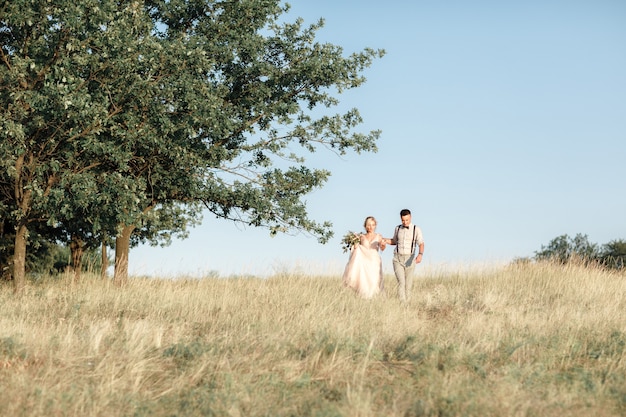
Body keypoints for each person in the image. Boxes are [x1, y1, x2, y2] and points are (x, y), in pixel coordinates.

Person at [382, 209, 424, 303]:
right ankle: (402, 304)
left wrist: (420, 255)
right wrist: (384, 240)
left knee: (408, 285)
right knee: (401, 283)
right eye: (403, 220)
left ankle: (408, 305)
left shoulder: (416, 229)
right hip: (397, 258)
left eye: (407, 220)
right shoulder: (397, 228)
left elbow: (421, 243)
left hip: (410, 258)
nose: (405, 222)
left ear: (410, 217)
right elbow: (394, 241)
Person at [342, 216, 386, 298]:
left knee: (374, 280)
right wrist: (353, 240)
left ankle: (374, 297)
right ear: (365, 226)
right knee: (364, 280)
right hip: (363, 261)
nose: (370, 227)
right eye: (368, 225)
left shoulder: (378, 236)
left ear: (375, 225)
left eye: (373, 225)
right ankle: (364, 297)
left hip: (374, 260)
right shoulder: (361, 236)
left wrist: (383, 245)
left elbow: (382, 248)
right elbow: (356, 248)